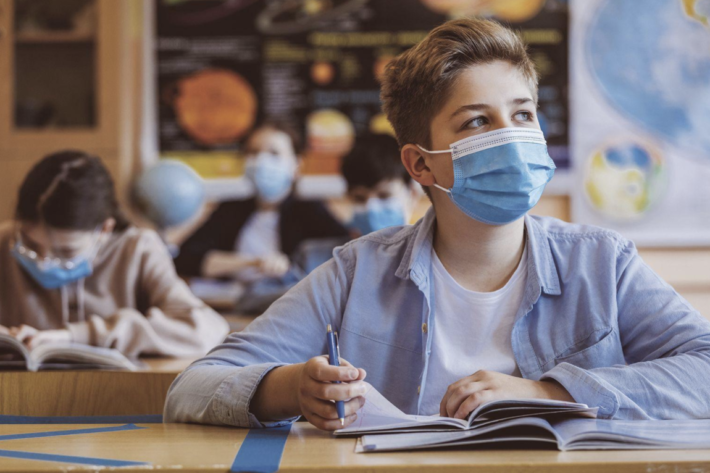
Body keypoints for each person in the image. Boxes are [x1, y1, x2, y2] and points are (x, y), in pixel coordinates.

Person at [164, 18, 710, 430]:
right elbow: (191, 388)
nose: (512, 137)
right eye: (477, 121)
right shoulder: (357, 274)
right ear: (420, 164)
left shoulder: (602, 263)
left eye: (522, 115)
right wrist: (288, 389)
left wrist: (549, 393)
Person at [0, 151, 229, 358]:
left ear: (104, 230)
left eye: (67, 251)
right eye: (30, 243)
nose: (43, 261)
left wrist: (78, 336)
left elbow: (204, 329)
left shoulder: (137, 249)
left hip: (115, 398)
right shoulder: (4, 240)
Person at [173, 122, 349, 282]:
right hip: (232, 305)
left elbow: (342, 255)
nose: (261, 161)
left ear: (296, 165)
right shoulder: (229, 210)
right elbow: (186, 258)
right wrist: (251, 262)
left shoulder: (310, 210)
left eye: (274, 153)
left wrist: (287, 265)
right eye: (253, 152)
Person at [341, 133, 420, 236]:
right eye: (359, 198)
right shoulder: (334, 251)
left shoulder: (437, 250)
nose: (370, 208)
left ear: (412, 194)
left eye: (384, 196)